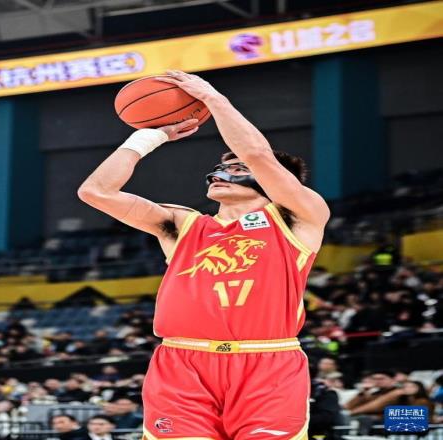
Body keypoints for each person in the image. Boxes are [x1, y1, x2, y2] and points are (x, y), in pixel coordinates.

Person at [79, 70, 330, 439]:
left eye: (236, 169)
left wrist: (212, 98)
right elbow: (96, 192)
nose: (220, 173)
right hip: (182, 364)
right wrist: (149, 137)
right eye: (220, 168)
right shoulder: (183, 225)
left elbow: (257, 154)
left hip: (268, 363)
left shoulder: (298, 216)